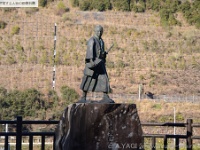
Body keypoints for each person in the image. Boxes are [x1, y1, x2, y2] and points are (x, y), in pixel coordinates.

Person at [78, 25, 114, 103]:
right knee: (88, 79)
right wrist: (91, 62)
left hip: (100, 62)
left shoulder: (102, 41)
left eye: (101, 31)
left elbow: (101, 53)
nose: (99, 33)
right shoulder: (92, 40)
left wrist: (103, 55)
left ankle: (105, 95)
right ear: (95, 31)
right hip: (93, 63)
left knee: (104, 78)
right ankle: (83, 96)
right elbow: (90, 52)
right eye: (98, 31)